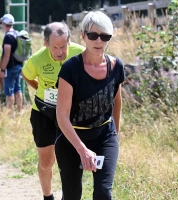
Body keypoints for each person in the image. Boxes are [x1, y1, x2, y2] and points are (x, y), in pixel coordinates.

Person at [55, 11, 125, 199]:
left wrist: (115, 135)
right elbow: (62, 115)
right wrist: (82, 150)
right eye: (93, 35)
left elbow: (117, 100)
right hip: (72, 139)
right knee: (72, 195)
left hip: (104, 135)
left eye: (104, 36)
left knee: (103, 193)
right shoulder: (70, 69)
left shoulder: (116, 66)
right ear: (83, 36)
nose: (98, 41)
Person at [21, 22, 85, 200]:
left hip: (70, 114)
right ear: (45, 43)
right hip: (44, 113)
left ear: (69, 42)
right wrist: (39, 87)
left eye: (63, 46)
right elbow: (26, 75)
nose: (59, 52)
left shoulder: (81, 54)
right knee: (47, 161)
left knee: (70, 161)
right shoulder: (37, 59)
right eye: (55, 47)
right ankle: (47, 196)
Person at [0, 13, 23, 112]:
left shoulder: (8, 37)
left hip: (10, 68)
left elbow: (7, 55)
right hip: (19, 66)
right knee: (18, 88)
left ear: (4, 24)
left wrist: (2, 69)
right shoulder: (16, 33)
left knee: (9, 91)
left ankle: (9, 112)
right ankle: (19, 110)